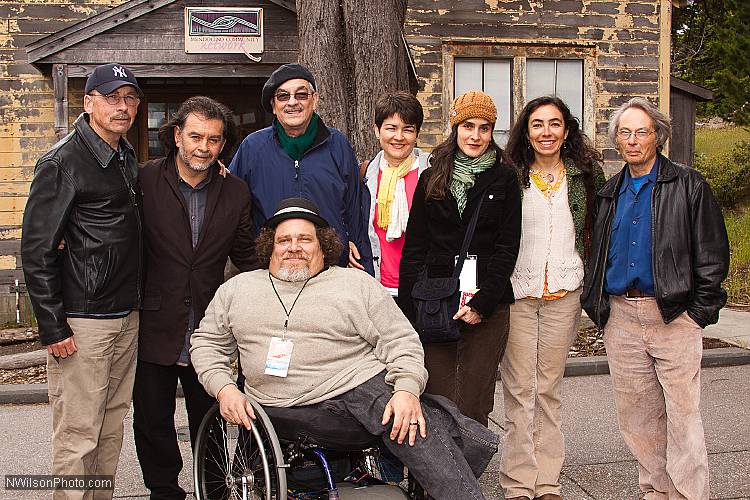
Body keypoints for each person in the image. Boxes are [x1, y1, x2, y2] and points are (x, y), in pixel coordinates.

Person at [190, 198, 500, 500]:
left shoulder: (355, 284)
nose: (293, 247)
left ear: (322, 247)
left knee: (409, 419)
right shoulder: (237, 290)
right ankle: (469, 444)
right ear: (270, 246)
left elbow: (401, 340)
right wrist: (224, 389)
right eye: (284, 240)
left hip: (356, 386)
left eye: (304, 239)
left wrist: (406, 390)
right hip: (276, 404)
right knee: (434, 420)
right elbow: (206, 344)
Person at [581, 97, 730, 499]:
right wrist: (599, 307)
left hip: (673, 315)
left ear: (658, 136)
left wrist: (698, 314)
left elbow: (713, 255)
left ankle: (687, 495)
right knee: (639, 419)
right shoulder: (610, 192)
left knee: (683, 418)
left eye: (641, 132)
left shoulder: (688, 185)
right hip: (622, 318)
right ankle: (655, 492)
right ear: (616, 139)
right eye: (624, 133)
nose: (632, 141)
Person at [21, 63, 143, 499]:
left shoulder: (124, 154)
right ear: (88, 102)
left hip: (125, 315)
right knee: (78, 434)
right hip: (83, 320)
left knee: (110, 428)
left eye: (129, 98)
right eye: (112, 98)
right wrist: (52, 325)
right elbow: (36, 251)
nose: (123, 106)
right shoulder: (62, 162)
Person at [132, 96, 258, 499]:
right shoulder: (144, 180)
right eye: (195, 136)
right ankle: (164, 489)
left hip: (209, 325)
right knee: (153, 419)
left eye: (214, 140)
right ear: (176, 135)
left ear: (224, 145)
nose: (203, 147)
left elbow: (244, 254)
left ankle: (215, 488)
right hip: (154, 321)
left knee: (213, 416)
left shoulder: (236, 191)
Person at [500, 95, 606, 500]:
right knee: (519, 390)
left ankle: (547, 483)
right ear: (526, 132)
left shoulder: (585, 175)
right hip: (519, 293)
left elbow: (595, 231)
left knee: (548, 388)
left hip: (565, 291)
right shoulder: (509, 175)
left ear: (566, 131)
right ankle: (518, 483)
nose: (547, 132)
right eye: (538, 124)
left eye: (555, 124)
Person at [398, 90, 522, 427]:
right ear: (456, 128)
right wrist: (411, 310)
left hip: (485, 305)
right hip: (436, 301)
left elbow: (507, 247)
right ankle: (436, 478)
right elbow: (415, 248)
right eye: (469, 126)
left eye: (485, 128)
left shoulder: (504, 178)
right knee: (436, 399)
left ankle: (467, 478)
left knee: (473, 402)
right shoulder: (432, 177)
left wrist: (483, 303)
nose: (476, 136)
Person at [229, 62, 373, 274]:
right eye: (283, 96)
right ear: (273, 105)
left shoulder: (337, 144)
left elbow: (354, 206)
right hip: (273, 269)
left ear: (314, 100)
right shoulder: (253, 147)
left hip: (330, 269)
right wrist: (252, 260)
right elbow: (233, 204)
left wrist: (356, 246)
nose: (292, 102)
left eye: (301, 95)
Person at [357, 91, 430, 295]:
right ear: (377, 130)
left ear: (417, 134)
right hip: (376, 286)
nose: (399, 137)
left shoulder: (433, 173)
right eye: (391, 128)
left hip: (423, 288)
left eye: (408, 129)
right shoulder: (363, 175)